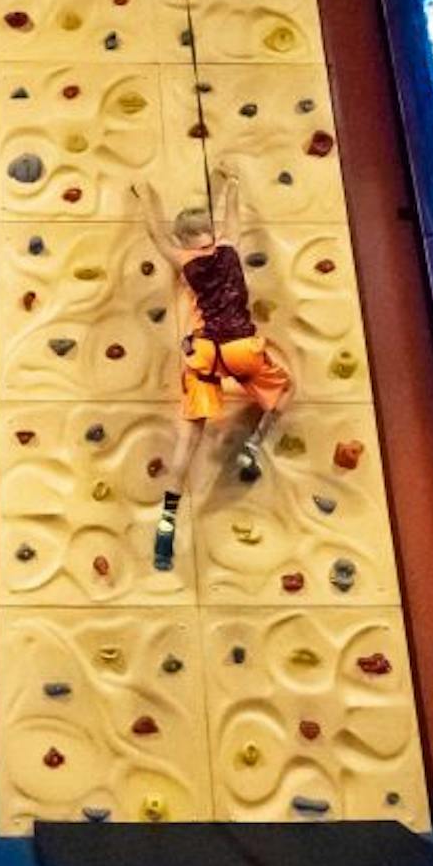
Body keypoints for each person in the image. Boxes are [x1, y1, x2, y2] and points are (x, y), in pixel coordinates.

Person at [132, 171, 294, 572]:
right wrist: (233, 186)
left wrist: (146, 195)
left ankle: (166, 527)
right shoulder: (230, 249)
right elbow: (233, 219)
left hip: (204, 353)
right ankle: (254, 445)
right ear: (208, 231)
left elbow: (156, 234)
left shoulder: (183, 260)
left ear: (184, 239)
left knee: (187, 443)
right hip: (241, 348)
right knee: (285, 389)